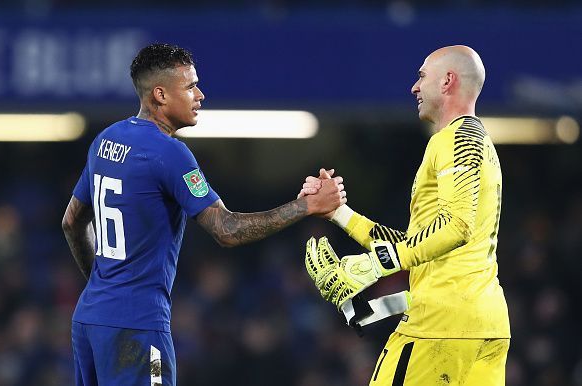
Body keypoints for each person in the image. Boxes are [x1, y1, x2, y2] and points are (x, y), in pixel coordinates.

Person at [61, 42, 346, 386]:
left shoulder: (105, 140)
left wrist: (103, 283)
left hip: (89, 320)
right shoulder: (169, 153)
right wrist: (306, 206)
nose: (201, 94)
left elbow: (72, 221)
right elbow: (225, 229)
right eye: (191, 86)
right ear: (161, 95)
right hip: (137, 329)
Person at [300, 45, 510, 385]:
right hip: (484, 326)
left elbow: (457, 227)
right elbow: (424, 243)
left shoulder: (455, 138)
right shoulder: (473, 140)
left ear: (447, 82)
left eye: (422, 77)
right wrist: (339, 213)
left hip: (441, 325)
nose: (414, 87)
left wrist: (374, 264)